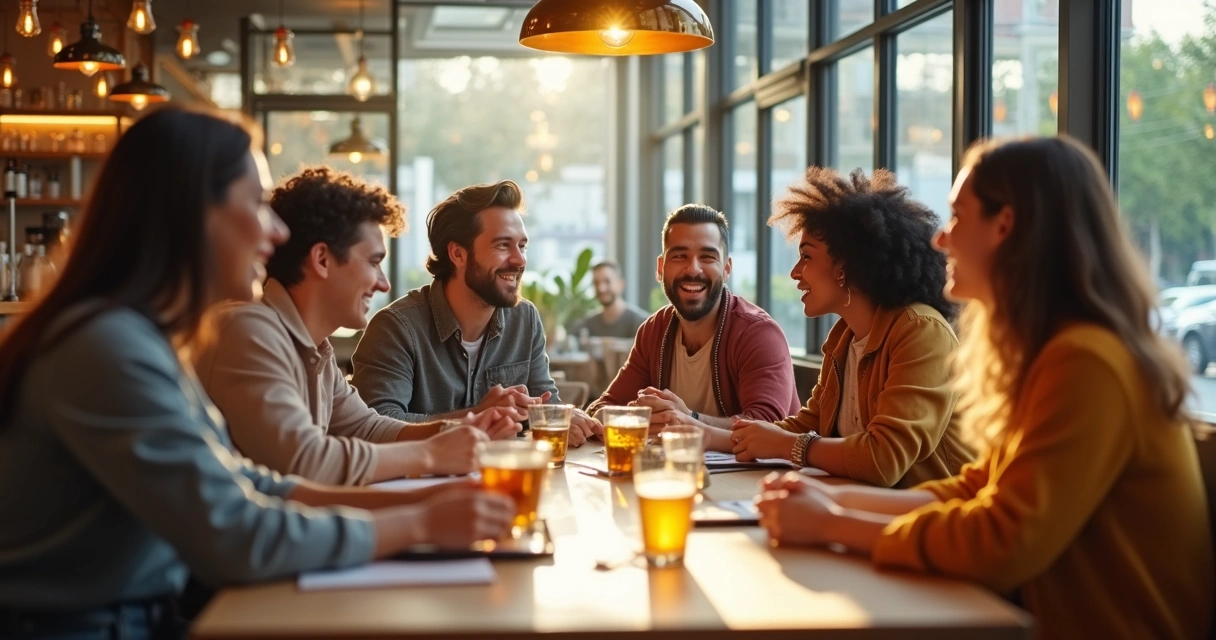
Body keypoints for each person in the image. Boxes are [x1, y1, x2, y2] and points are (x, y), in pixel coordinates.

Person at [0, 108, 513, 639]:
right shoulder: (108, 347)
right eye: (257, 203)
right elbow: (236, 532)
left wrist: (429, 499)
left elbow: (252, 484)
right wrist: (420, 521)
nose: (277, 230)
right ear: (193, 213)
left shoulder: (143, 338)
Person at [756, 137, 1214, 639]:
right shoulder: (1053, 351)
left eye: (957, 216)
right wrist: (831, 502)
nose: (940, 239)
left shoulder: (1089, 360)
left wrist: (830, 524)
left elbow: (1003, 541)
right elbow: (975, 489)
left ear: (1005, 226)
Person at [195, 166, 520, 486]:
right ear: (322, 260)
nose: (383, 283)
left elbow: (367, 428)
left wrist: (468, 429)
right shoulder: (249, 330)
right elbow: (305, 461)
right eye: (374, 262)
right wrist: (431, 454)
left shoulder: (314, 348)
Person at [729, 167, 974, 487]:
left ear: (844, 265)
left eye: (806, 257)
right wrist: (704, 433)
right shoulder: (844, 337)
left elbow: (884, 459)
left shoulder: (921, 331)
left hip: (930, 512)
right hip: (866, 504)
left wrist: (788, 446)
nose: (795, 272)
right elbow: (806, 426)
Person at [351, 180, 598, 445]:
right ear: (458, 254)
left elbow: (546, 408)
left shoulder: (524, 320)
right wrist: (478, 416)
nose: (520, 260)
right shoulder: (396, 328)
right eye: (503, 245)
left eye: (522, 246)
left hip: (503, 469)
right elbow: (376, 427)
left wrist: (565, 419)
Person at [586, 205, 800, 446]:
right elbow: (602, 409)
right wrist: (639, 417)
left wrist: (689, 419)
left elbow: (768, 425)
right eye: (679, 256)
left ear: (726, 269)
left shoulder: (758, 333)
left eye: (707, 257)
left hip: (766, 471)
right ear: (660, 268)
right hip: (677, 467)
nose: (693, 269)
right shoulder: (654, 331)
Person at [569, 260, 648, 340]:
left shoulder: (642, 324)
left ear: (621, 285)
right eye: (596, 283)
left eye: (607, 281)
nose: (601, 288)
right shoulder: (587, 324)